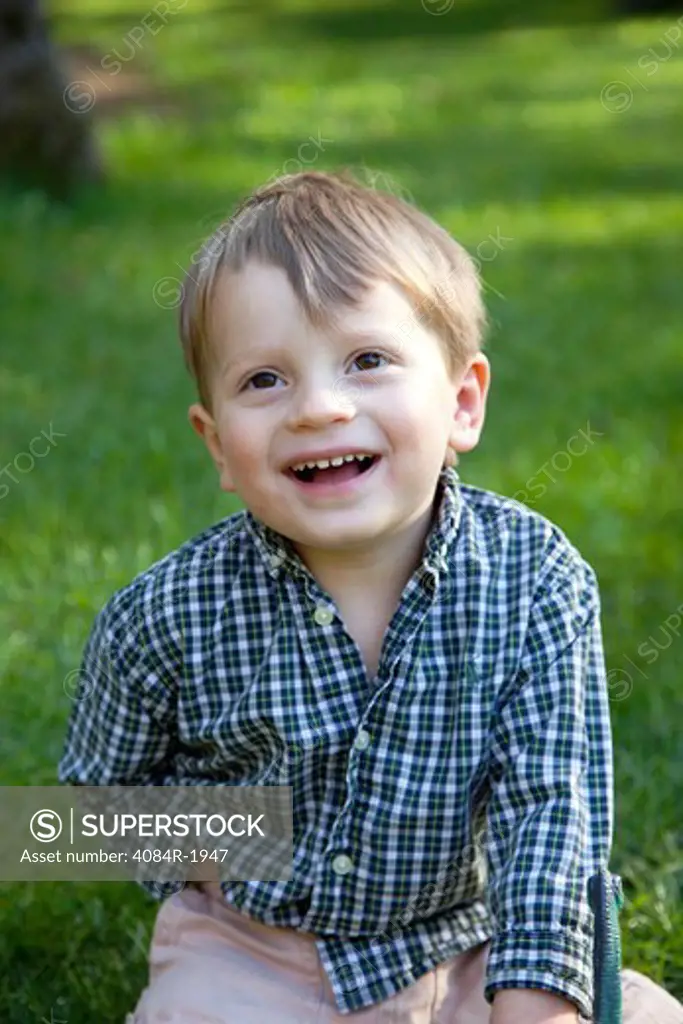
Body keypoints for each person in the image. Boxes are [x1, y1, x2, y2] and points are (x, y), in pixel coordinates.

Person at [58, 170, 683, 1023]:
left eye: (367, 361)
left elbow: (551, 815)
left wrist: (534, 1004)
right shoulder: (164, 616)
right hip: (253, 949)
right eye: (263, 381)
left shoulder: (535, 579)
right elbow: (88, 809)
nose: (319, 408)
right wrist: (257, 842)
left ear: (462, 402)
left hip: (460, 946)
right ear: (218, 447)